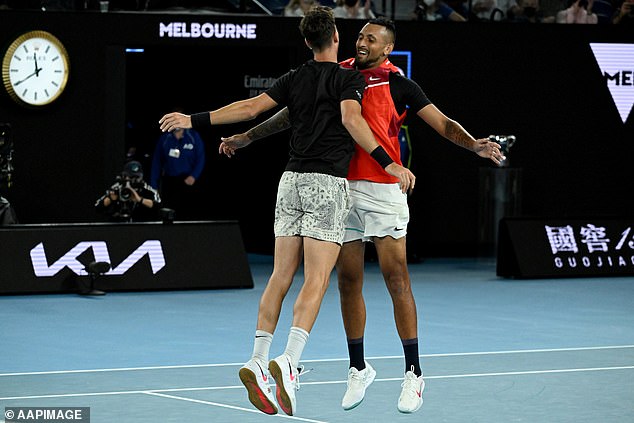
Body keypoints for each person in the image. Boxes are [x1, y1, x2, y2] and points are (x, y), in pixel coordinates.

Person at [220, 17, 504, 414]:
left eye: (371, 38)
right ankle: (358, 368)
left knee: (396, 278)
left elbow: (441, 123)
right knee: (347, 281)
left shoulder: (400, 83)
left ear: (387, 48)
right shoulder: (337, 75)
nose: (362, 42)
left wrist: (473, 145)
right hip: (340, 190)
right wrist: (247, 137)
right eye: (359, 36)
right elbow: (290, 115)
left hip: (385, 191)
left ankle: (413, 373)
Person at [158, 6, 414, 417]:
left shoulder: (294, 78)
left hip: (288, 183)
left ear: (307, 42)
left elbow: (250, 108)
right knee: (316, 279)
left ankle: (258, 359)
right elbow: (352, 119)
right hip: (327, 186)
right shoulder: (348, 78)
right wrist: (389, 163)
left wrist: (193, 119)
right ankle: (289, 362)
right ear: (334, 37)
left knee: (280, 276)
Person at [150, 113, 205, 221]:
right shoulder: (165, 139)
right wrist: (153, 186)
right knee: (168, 213)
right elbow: (156, 162)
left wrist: (194, 176)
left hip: (187, 181)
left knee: (188, 214)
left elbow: (201, 158)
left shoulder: (193, 137)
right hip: (170, 182)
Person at [95, 160, 162, 222]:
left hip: (141, 226)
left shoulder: (147, 190)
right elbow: (97, 207)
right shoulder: (117, 188)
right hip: (118, 226)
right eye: (131, 177)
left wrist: (140, 199)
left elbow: (159, 207)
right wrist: (111, 199)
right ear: (124, 176)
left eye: (137, 177)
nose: (134, 180)